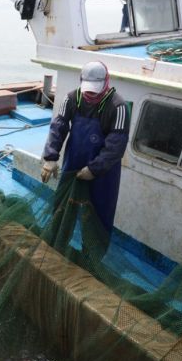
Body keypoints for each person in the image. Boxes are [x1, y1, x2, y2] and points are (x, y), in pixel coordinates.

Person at [41, 61, 130, 235]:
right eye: (88, 87)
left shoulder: (118, 107)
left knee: (99, 215)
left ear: (106, 82)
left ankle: (90, 255)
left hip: (103, 173)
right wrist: (50, 158)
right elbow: (58, 127)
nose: (90, 93)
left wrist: (94, 169)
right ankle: (57, 240)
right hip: (73, 163)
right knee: (63, 208)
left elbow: (116, 145)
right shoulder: (71, 98)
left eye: (96, 88)